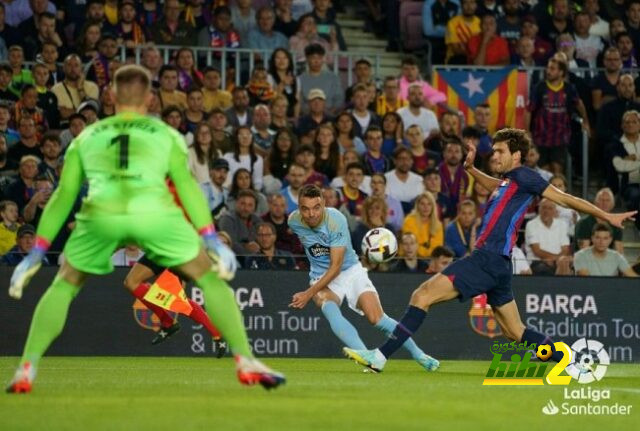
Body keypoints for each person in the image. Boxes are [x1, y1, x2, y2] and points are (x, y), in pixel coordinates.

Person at [6, 65, 284, 393]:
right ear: (150, 99)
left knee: (63, 285)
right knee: (208, 278)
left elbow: (63, 196)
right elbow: (189, 188)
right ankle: (245, 359)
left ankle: (27, 367)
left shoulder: (86, 136)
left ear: (110, 95)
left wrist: (38, 249)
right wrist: (210, 236)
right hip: (154, 215)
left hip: (102, 214)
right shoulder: (167, 135)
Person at [343, 127, 636, 372]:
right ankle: (573, 361)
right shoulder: (511, 182)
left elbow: (565, 199)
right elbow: (493, 184)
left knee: (422, 295)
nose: (493, 155)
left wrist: (606, 216)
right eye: (493, 151)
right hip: (499, 264)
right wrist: (470, 169)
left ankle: (379, 358)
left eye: (499, 151)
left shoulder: (527, 176)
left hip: (487, 259)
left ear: (516, 154)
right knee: (515, 331)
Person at [288, 184, 439, 372]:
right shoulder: (293, 221)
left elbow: (335, 267)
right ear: (299, 208)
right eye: (305, 209)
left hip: (349, 271)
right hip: (320, 276)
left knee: (377, 318)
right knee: (329, 306)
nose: (311, 214)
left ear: (324, 204)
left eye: (316, 208)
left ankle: (419, 355)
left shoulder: (335, 220)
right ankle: (368, 359)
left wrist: (308, 293)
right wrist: (314, 290)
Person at [524, 198, 573, 275]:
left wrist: (556, 260)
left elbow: (565, 248)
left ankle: (562, 286)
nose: (546, 211)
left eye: (550, 208)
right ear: (539, 209)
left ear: (554, 211)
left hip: (558, 261)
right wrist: (555, 259)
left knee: (565, 264)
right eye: (544, 207)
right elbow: (537, 251)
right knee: (545, 269)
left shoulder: (562, 224)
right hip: (538, 261)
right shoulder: (531, 225)